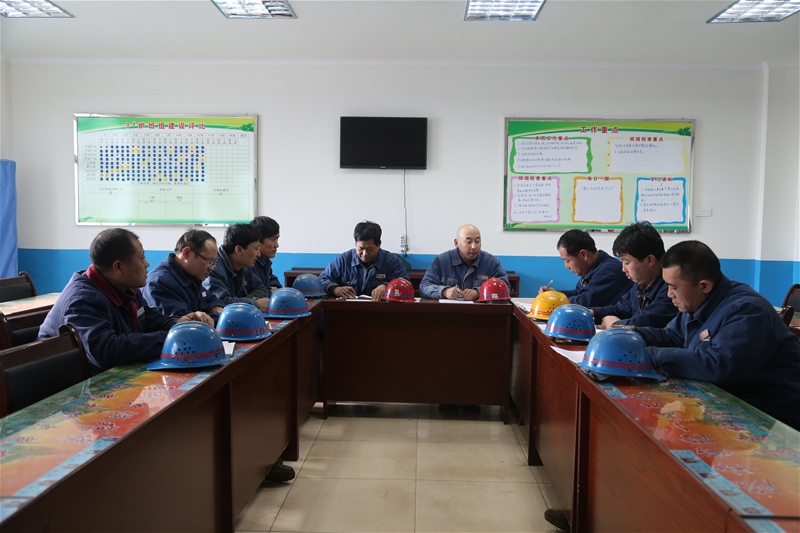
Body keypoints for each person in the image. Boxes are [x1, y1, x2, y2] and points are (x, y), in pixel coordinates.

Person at [634, 241, 800, 430]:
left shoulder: (747, 310)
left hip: (776, 421)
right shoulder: (696, 300)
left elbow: (717, 364)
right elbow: (672, 336)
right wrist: (630, 334)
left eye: (674, 287)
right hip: (732, 403)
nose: (669, 294)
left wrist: (647, 355)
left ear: (704, 285)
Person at [38, 228, 212, 374]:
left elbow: (149, 318)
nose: (147, 264)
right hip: (70, 389)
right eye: (141, 258)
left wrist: (180, 325)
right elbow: (107, 351)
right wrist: (172, 338)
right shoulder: (82, 300)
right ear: (119, 267)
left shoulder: (126, 287)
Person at [590, 222, 677, 328]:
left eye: (627, 262)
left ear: (650, 260)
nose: (623, 269)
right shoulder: (641, 283)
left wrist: (614, 325)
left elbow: (646, 321)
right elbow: (621, 309)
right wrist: (592, 312)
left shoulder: (671, 288)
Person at [142, 229, 225, 317]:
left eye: (214, 262)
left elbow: (211, 299)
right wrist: (222, 317)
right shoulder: (160, 283)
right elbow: (185, 322)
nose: (212, 268)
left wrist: (215, 307)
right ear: (187, 253)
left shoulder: (190, 276)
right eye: (209, 261)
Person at [540, 229, 632, 307]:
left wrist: (555, 300)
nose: (566, 266)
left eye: (567, 261)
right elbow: (578, 292)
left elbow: (584, 302)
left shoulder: (608, 272)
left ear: (584, 254)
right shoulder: (592, 267)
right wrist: (554, 295)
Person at [319, 221, 410, 301]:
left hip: (380, 310)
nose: (365, 254)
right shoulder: (343, 260)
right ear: (355, 244)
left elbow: (405, 283)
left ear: (379, 244)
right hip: (348, 310)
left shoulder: (392, 262)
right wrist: (335, 289)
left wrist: (386, 286)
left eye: (370, 249)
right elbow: (323, 279)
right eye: (361, 248)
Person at [420, 224, 509, 301]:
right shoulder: (441, 261)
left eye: (477, 241)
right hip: (448, 312)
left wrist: (479, 292)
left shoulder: (491, 263)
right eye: (469, 242)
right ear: (456, 243)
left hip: (480, 313)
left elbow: (505, 287)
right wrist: (444, 291)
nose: (474, 246)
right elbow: (424, 286)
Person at [204, 223, 270, 312]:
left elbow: (261, 288)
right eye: (256, 249)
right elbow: (219, 303)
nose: (259, 254)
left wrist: (242, 301)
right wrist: (254, 303)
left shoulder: (243, 266)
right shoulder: (214, 269)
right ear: (239, 250)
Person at [250, 216, 283, 293]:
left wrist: (275, 286)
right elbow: (254, 292)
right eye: (273, 239)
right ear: (258, 240)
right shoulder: (249, 263)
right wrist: (269, 291)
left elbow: (272, 279)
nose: (277, 245)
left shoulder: (265, 261)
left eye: (277, 239)